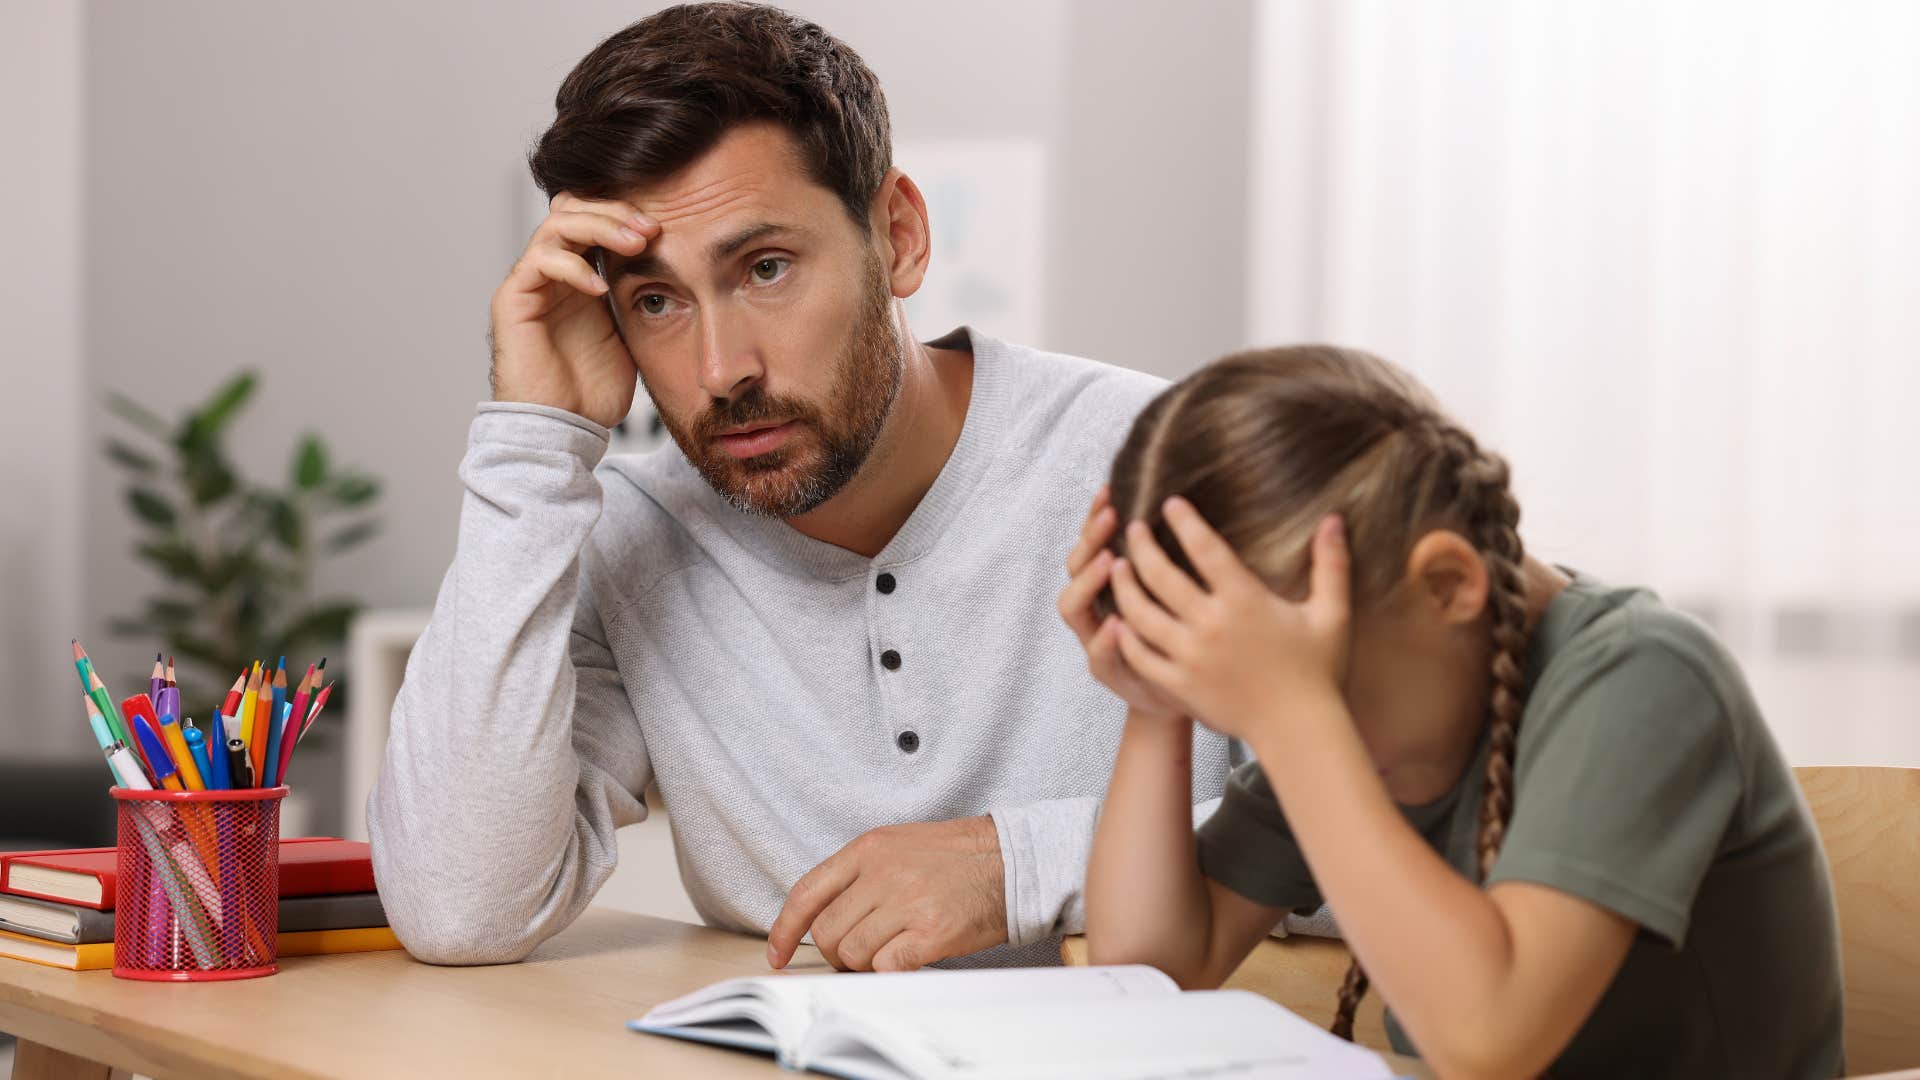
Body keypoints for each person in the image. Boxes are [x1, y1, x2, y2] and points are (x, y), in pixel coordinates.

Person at [365, 2, 1243, 971]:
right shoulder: (628, 539)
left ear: (901, 236)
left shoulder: (1177, 462)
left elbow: (1397, 831)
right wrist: (533, 442)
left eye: (767, 268)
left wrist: (1020, 864)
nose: (720, 368)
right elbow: (460, 908)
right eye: (655, 301)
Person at [1063, 346, 1843, 1077]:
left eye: (1307, 695)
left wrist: (1294, 714)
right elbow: (1150, 970)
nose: (1291, 732)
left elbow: (1488, 1040)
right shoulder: (1369, 720)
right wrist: (1157, 705)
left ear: (1446, 585)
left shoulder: (1645, 677)